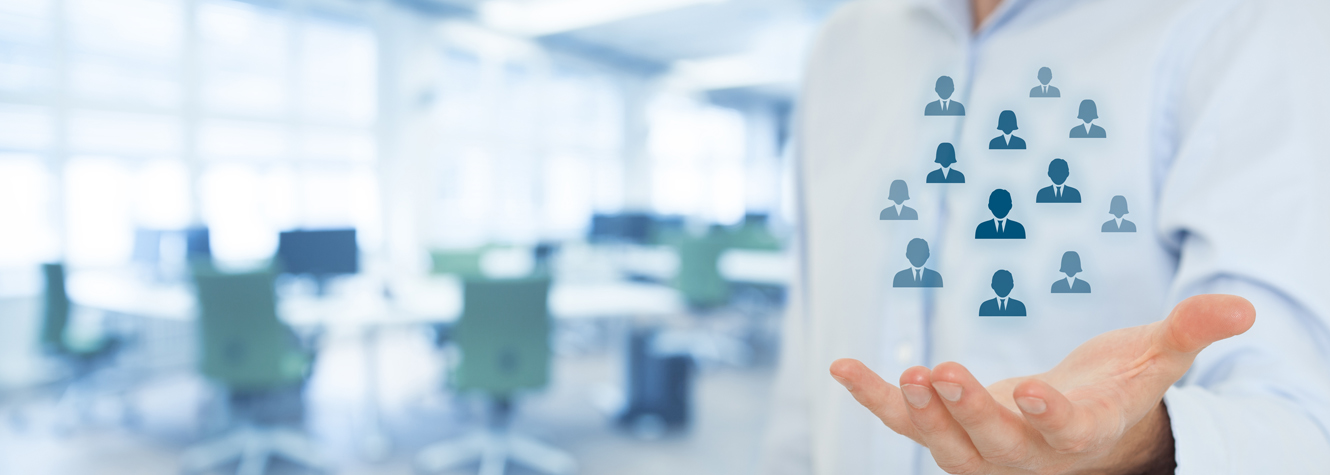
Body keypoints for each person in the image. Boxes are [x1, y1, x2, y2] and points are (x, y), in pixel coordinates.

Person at [762, 1, 1330, 475]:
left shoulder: (1251, 23)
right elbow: (808, 393)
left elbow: (1299, 421)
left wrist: (1137, 444)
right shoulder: (845, 43)